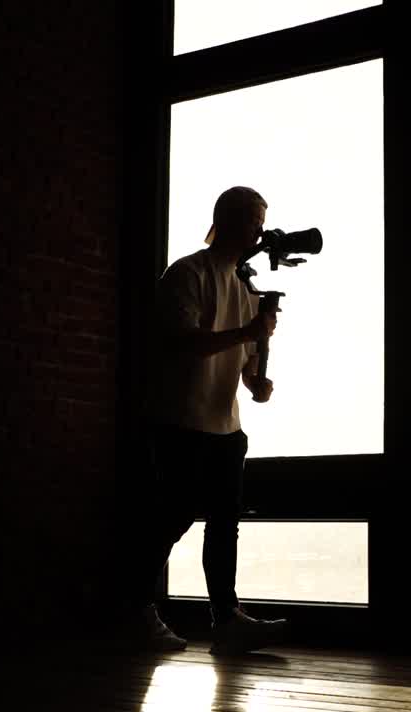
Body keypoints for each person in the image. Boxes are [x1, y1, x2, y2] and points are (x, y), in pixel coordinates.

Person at [124, 185, 288, 654]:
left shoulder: (245, 284)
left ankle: (226, 619)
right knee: (173, 515)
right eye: (255, 221)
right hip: (179, 420)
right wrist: (247, 332)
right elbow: (183, 342)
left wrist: (257, 381)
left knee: (223, 522)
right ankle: (134, 609)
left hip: (225, 425)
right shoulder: (187, 273)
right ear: (230, 221)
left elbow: (245, 356)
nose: (261, 231)